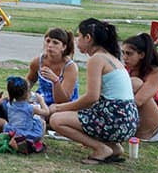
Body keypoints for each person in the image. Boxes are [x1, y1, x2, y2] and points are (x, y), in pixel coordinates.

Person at [47, 18, 139, 164]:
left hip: (115, 119)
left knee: (56, 120)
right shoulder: (112, 58)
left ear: (88, 38)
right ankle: (113, 147)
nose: (77, 40)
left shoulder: (96, 59)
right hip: (128, 121)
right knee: (75, 116)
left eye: (79, 36)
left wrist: (58, 108)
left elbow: (92, 97)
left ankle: (101, 149)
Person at [122, 33, 158, 142]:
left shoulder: (156, 74)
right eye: (123, 53)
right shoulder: (128, 69)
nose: (124, 58)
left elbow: (138, 101)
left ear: (141, 55)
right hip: (136, 116)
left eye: (129, 54)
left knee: (135, 83)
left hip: (157, 124)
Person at [25, 28, 80, 106]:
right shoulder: (37, 62)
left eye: (55, 43)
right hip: (42, 101)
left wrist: (55, 81)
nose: (50, 45)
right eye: (48, 41)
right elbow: (29, 81)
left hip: (63, 105)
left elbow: (62, 100)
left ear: (64, 47)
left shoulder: (70, 67)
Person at [1, 75, 49, 149]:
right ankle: (38, 143)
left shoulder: (9, 105)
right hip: (27, 133)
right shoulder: (31, 108)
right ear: (27, 93)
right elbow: (46, 112)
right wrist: (41, 101)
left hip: (11, 131)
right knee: (42, 122)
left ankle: (14, 140)